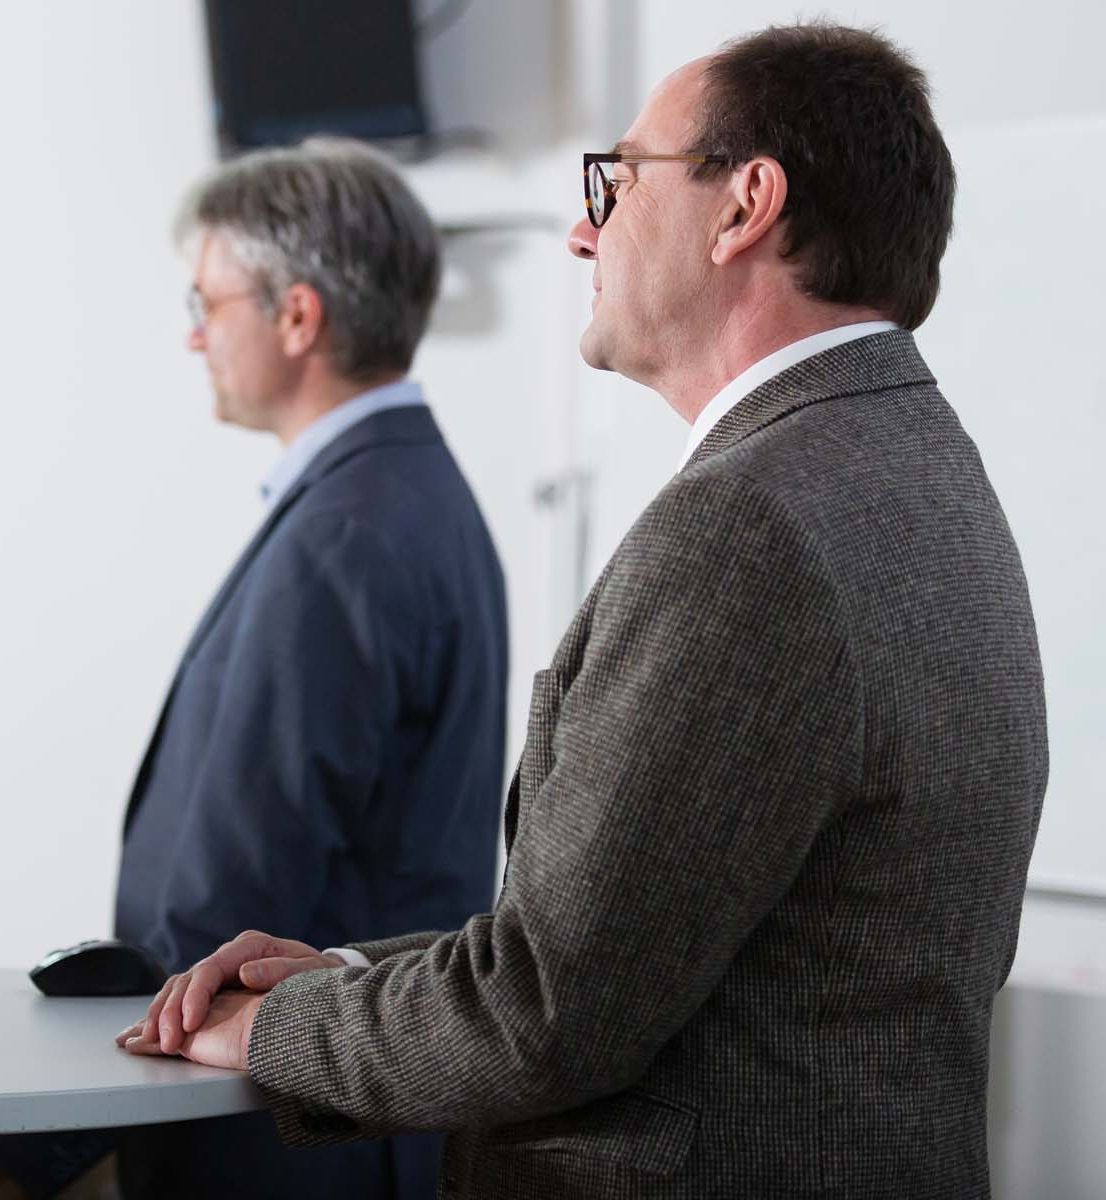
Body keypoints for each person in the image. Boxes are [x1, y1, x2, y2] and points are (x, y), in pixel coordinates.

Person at [119, 24, 1048, 1199]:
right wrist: (340, 975)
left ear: (743, 205)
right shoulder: (920, 466)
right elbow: (637, 939)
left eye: (614, 182)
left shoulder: (749, 530)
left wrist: (269, 1031)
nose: (579, 229)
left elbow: (548, 1013)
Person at [0, 139, 510, 1198]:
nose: (193, 334)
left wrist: (30, 1141)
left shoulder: (348, 531)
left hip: (278, 1145)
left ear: (298, 317)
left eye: (207, 301)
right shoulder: (412, 493)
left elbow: (237, 891)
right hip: (355, 1124)